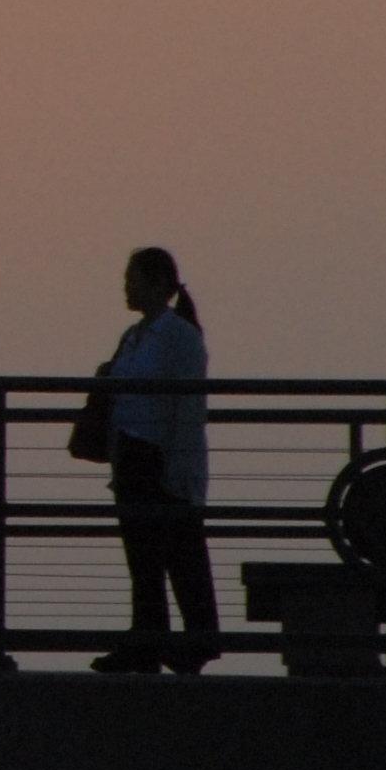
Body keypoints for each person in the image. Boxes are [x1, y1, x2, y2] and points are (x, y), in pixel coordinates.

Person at [91, 247, 217, 674]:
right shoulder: (135, 334)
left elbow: (188, 407)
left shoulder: (178, 336)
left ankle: (193, 643)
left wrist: (179, 466)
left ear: (159, 283)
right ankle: (148, 641)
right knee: (144, 559)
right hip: (132, 456)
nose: (126, 285)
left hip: (162, 457)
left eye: (134, 277)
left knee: (179, 554)